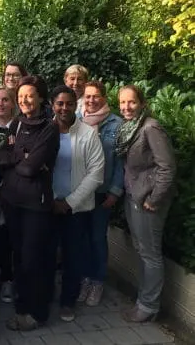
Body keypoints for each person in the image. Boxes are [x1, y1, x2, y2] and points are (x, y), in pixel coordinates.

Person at [0, 77, 60, 331]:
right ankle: (22, 307)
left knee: (34, 259)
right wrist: (22, 156)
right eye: (21, 96)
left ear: (41, 97)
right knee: (19, 257)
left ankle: (37, 312)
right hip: (12, 201)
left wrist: (19, 158)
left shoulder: (49, 127)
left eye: (30, 95)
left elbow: (30, 168)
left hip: (35, 204)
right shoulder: (17, 122)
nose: (24, 100)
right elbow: (0, 156)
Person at [116, 85, 176, 323]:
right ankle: (143, 300)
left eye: (131, 102)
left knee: (150, 254)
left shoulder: (150, 127)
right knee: (141, 250)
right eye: (122, 102)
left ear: (142, 103)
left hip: (148, 200)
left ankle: (149, 306)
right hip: (133, 196)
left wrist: (154, 198)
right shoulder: (129, 127)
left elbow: (167, 167)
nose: (126, 107)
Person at [51, 85, 104, 323]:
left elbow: (96, 174)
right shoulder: (46, 130)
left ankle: (68, 301)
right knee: (46, 254)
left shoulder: (88, 134)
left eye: (69, 104)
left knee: (73, 257)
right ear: (52, 105)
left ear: (76, 105)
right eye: (60, 103)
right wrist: (51, 199)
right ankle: (45, 295)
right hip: (48, 205)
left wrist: (69, 202)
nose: (64, 108)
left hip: (76, 208)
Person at [78, 81, 124, 306]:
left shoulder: (117, 124)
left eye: (96, 96)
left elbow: (121, 162)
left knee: (97, 238)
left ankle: (97, 281)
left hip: (102, 192)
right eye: (88, 96)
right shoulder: (76, 120)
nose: (91, 100)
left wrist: (115, 191)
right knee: (82, 238)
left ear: (104, 97)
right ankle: (85, 278)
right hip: (79, 190)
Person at [0, 86, 17, 303]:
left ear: (13, 103)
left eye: (5, 99)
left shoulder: (20, 127)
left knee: (10, 234)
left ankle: (9, 279)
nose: (1, 104)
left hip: (15, 188)